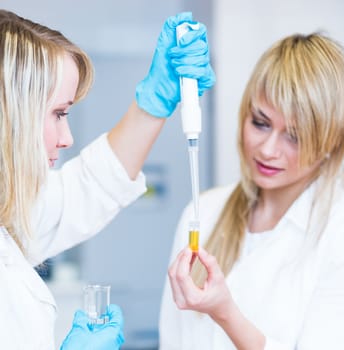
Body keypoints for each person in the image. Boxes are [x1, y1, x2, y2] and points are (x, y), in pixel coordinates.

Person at [0, 9, 215, 350]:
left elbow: (88, 187)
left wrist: (155, 102)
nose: (67, 137)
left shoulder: (8, 221)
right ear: (9, 114)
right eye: (59, 113)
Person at [159, 32, 344, 350]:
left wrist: (225, 313)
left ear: (332, 141)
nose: (268, 149)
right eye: (260, 123)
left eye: (295, 136)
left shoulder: (341, 234)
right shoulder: (204, 212)